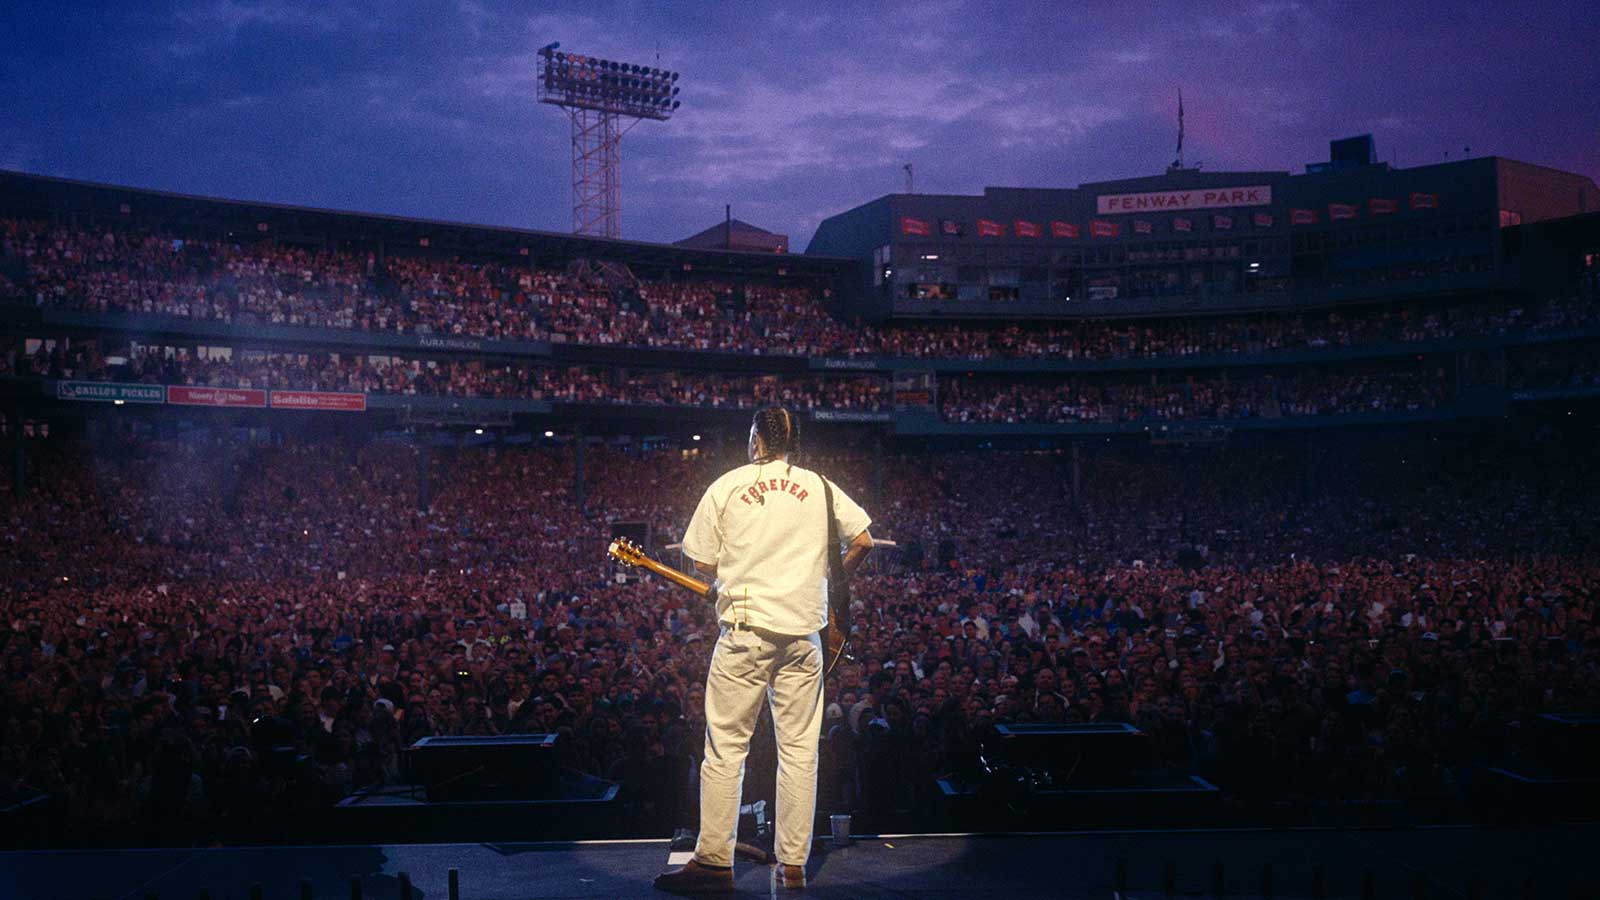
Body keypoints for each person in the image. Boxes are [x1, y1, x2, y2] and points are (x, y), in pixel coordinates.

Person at [654, 407, 874, 894]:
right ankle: (792, 865)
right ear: (792, 444)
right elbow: (862, 540)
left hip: (746, 632)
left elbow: (703, 561)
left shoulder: (728, 485)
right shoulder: (819, 486)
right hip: (804, 635)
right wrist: (830, 581)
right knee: (799, 751)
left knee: (726, 750)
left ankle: (713, 862)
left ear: (754, 439)